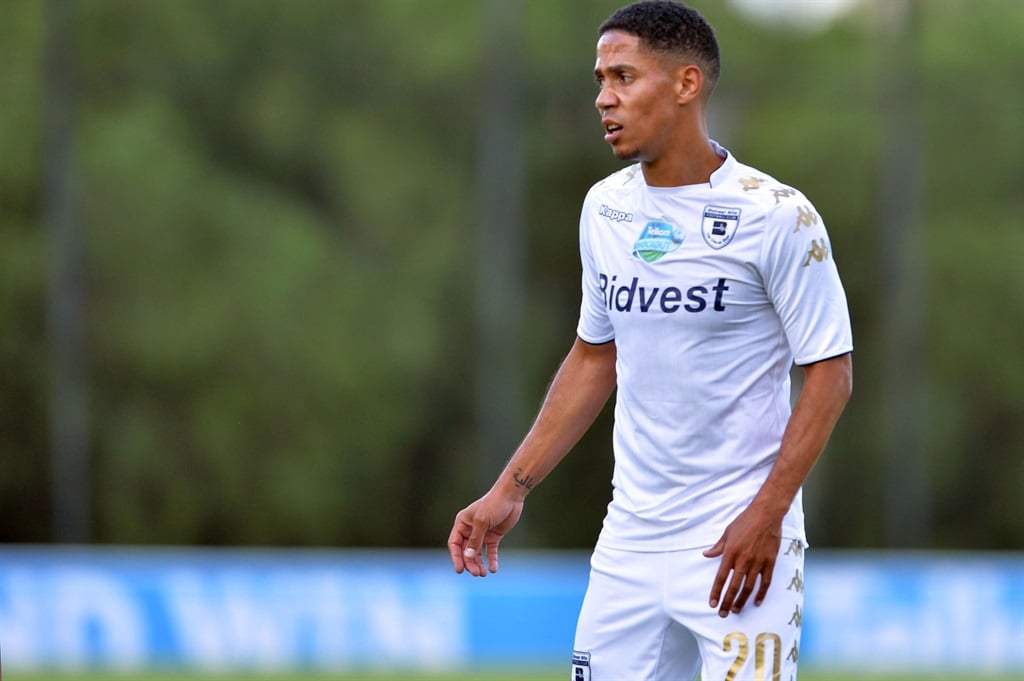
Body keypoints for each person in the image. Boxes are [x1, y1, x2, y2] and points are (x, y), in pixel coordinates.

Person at [448, 1, 853, 679]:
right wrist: (512, 487)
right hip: (629, 541)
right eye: (601, 79)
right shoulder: (604, 208)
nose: (604, 98)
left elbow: (830, 374)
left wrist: (769, 514)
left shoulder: (777, 215)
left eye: (624, 77)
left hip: (740, 541)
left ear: (686, 84)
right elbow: (593, 356)